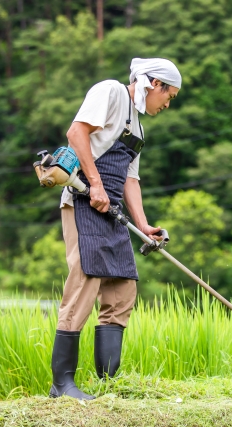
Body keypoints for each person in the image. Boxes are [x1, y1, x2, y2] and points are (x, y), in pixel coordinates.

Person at [49, 58, 181, 400]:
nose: (168, 104)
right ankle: (62, 386)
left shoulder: (137, 125)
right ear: (154, 83)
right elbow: (76, 132)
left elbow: (130, 179)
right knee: (85, 285)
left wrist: (143, 224)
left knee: (122, 289)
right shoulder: (110, 91)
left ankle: (109, 385)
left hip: (113, 210)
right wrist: (94, 184)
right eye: (169, 95)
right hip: (83, 202)